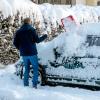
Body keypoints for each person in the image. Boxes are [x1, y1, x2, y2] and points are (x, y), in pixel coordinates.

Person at [13, 18, 47, 88]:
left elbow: (15, 43)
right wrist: (45, 36)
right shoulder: (31, 30)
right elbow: (37, 40)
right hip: (32, 53)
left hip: (24, 54)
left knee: (27, 69)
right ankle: (34, 85)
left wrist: (20, 48)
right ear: (29, 22)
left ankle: (25, 85)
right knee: (35, 68)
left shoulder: (18, 31)